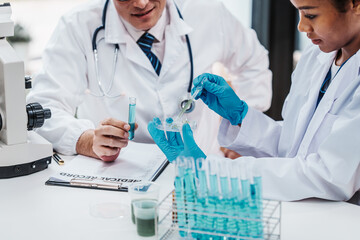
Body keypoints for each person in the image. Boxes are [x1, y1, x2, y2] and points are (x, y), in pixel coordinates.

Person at [148, 0, 360, 204]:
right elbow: (293, 148)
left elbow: (330, 175)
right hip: (302, 209)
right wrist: (241, 117)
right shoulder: (316, 56)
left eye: (311, 14)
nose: (301, 26)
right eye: (299, 12)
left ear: (355, 4)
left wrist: (210, 170)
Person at [26, 0, 272, 162]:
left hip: (204, 164)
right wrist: (86, 140)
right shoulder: (78, 26)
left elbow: (254, 63)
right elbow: (45, 108)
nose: (141, 3)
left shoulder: (207, 12)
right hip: (121, 174)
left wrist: (242, 131)